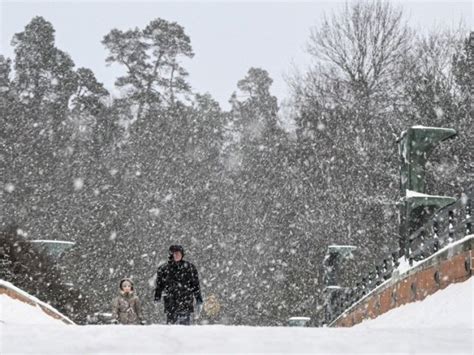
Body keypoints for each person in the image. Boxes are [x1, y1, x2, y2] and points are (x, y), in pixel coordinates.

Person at [154, 245, 203, 325]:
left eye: (179, 253)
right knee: (171, 328)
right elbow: (159, 285)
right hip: (170, 302)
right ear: (171, 255)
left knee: (185, 329)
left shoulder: (190, 268)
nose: (177, 255)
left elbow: (195, 285)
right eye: (175, 253)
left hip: (185, 301)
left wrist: (198, 299)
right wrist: (157, 297)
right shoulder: (163, 269)